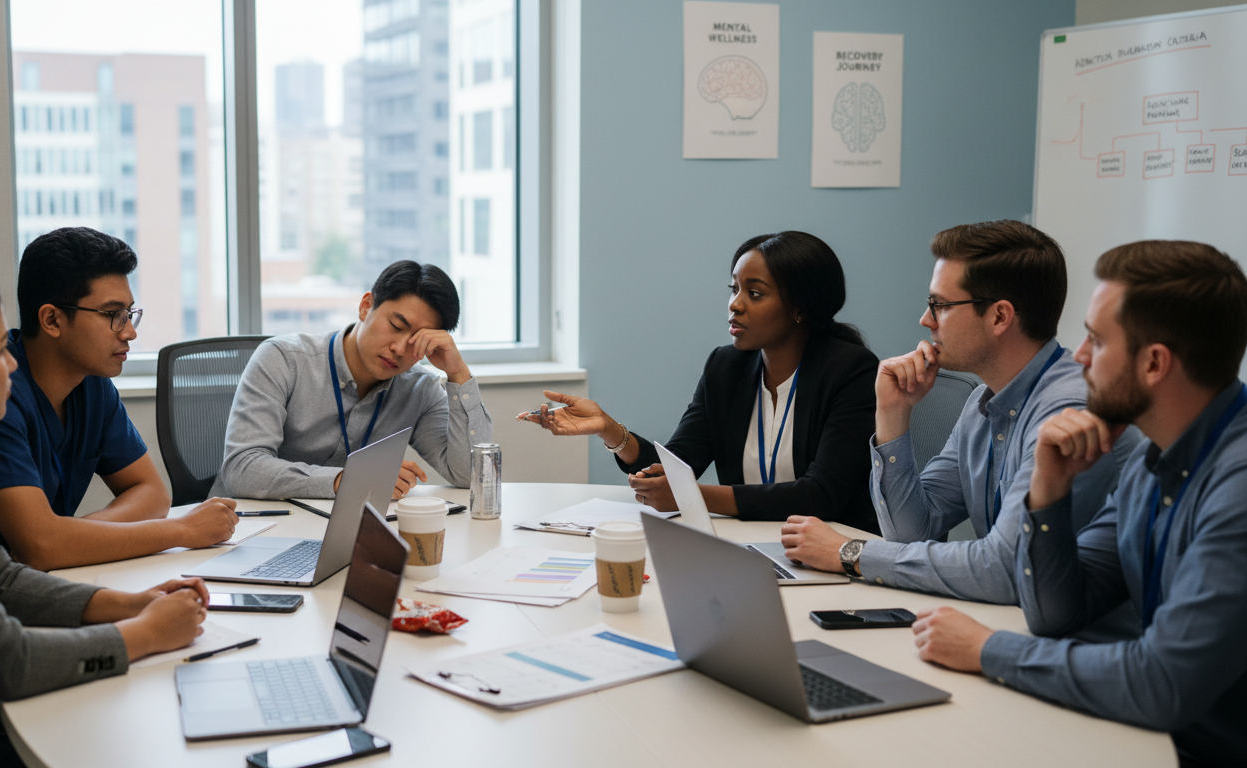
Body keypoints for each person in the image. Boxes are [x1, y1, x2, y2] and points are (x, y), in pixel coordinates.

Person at [912, 240, 1247, 766]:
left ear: (1154, 363)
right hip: (1143, 737)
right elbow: (1057, 613)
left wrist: (986, 649)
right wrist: (1048, 493)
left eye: (1095, 340)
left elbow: (1163, 683)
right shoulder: (1151, 461)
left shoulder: (1237, 487)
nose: (1081, 356)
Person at [0, 264, 213, 759]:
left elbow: (0, 577)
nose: (10, 364)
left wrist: (130, 603)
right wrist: (144, 633)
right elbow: (5, 658)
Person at [779, 221, 1139, 614]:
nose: (926, 320)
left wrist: (852, 553)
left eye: (940, 305)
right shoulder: (984, 401)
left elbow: (1005, 569)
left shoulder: (1069, 408)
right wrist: (893, 415)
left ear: (1000, 317)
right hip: (1020, 621)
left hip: (1090, 643)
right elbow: (912, 532)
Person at [519, 231, 878, 530]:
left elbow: (823, 496)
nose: (735, 305)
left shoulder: (851, 371)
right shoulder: (727, 367)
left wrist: (691, 494)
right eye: (733, 288)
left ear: (801, 307)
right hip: (749, 543)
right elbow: (675, 464)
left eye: (754, 293)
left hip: (831, 550)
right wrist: (611, 431)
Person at [0, 228, 238, 571]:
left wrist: (71, 537)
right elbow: (40, 546)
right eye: (112, 314)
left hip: (45, 580)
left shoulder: (91, 383)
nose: (130, 331)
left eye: (129, 313)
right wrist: (182, 530)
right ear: (52, 320)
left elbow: (152, 493)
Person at [213, 260, 492, 500]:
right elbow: (242, 469)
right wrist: (344, 481)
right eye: (396, 326)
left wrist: (458, 375)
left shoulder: (420, 389)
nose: (399, 348)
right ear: (366, 306)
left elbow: (470, 476)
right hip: (251, 529)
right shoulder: (284, 360)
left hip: (345, 534)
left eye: (417, 341)